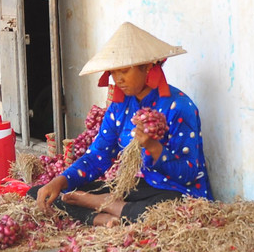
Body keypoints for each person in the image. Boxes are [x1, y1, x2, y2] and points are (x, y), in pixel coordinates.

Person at [33, 22, 213, 226]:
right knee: (42, 193)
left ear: (147, 66)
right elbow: (97, 157)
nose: (118, 79)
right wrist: (60, 180)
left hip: (175, 192)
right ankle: (102, 216)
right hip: (138, 188)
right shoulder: (119, 108)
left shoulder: (179, 106)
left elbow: (188, 173)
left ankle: (106, 206)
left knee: (164, 216)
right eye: (113, 72)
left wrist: (153, 147)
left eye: (125, 71)